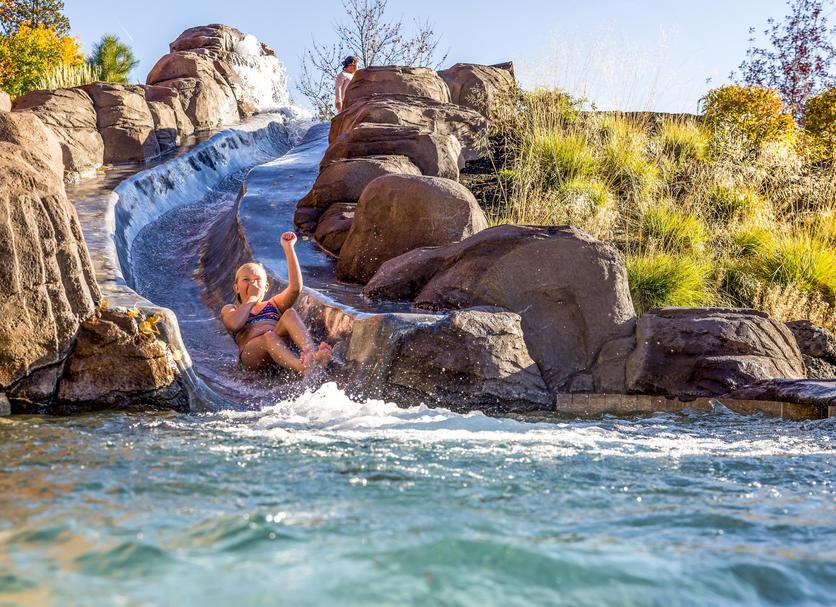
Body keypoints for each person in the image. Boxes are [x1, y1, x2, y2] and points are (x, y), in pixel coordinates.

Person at [221, 231, 332, 374]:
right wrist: (252, 299)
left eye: (257, 280)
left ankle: (311, 354)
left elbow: (295, 288)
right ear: (236, 288)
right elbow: (234, 324)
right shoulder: (231, 309)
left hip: (278, 348)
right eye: (246, 280)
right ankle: (302, 368)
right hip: (251, 357)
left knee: (290, 313)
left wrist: (289, 248)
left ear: (266, 287)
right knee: (269, 336)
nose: (252, 283)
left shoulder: (272, 305)